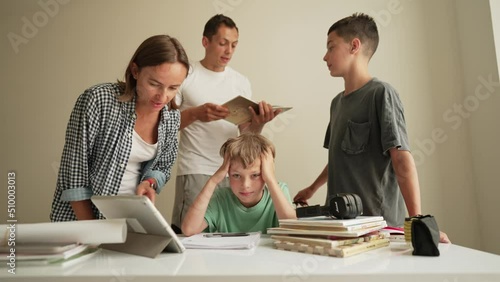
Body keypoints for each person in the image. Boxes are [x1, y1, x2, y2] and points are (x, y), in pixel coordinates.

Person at [293, 13, 450, 243]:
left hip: (379, 229)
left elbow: (401, 160)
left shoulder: (381, 94)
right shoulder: (336, 104)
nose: (325, 56)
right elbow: (339, 157)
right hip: (341, 227)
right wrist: (312, 188)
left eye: (331, 47)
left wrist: (418, 221)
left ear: (354, 46)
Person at [50, 35, 189, 221]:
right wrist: (94, 231)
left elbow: (163, 166)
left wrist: (150, 183)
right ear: (135, 70)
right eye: (154, 84)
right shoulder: (98, 100)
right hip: (81, 222)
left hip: (130, 221)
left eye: (173, 88)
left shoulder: (171, 116)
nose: (163, 97)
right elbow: (74, 174)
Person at [172, 14, 279, 230]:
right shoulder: (186, 74)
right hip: (197, 169)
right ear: (205, 42)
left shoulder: (240, 82)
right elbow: (164, 125)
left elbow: (246, 133)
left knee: (223, 235)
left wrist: (259, 123)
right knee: (190, 235)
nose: (229, 51)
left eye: (234, 45)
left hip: (234, 172)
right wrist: (195, 114)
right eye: (222, 43)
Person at [181, 132, 296, 236]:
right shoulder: (220, 198)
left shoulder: (279, 190)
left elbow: (293, 227)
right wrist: (213, 180)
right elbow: (189, 229)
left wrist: (270, 179)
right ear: (227, 173)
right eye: (236, 175)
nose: (245, 185)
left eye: (255, 175)